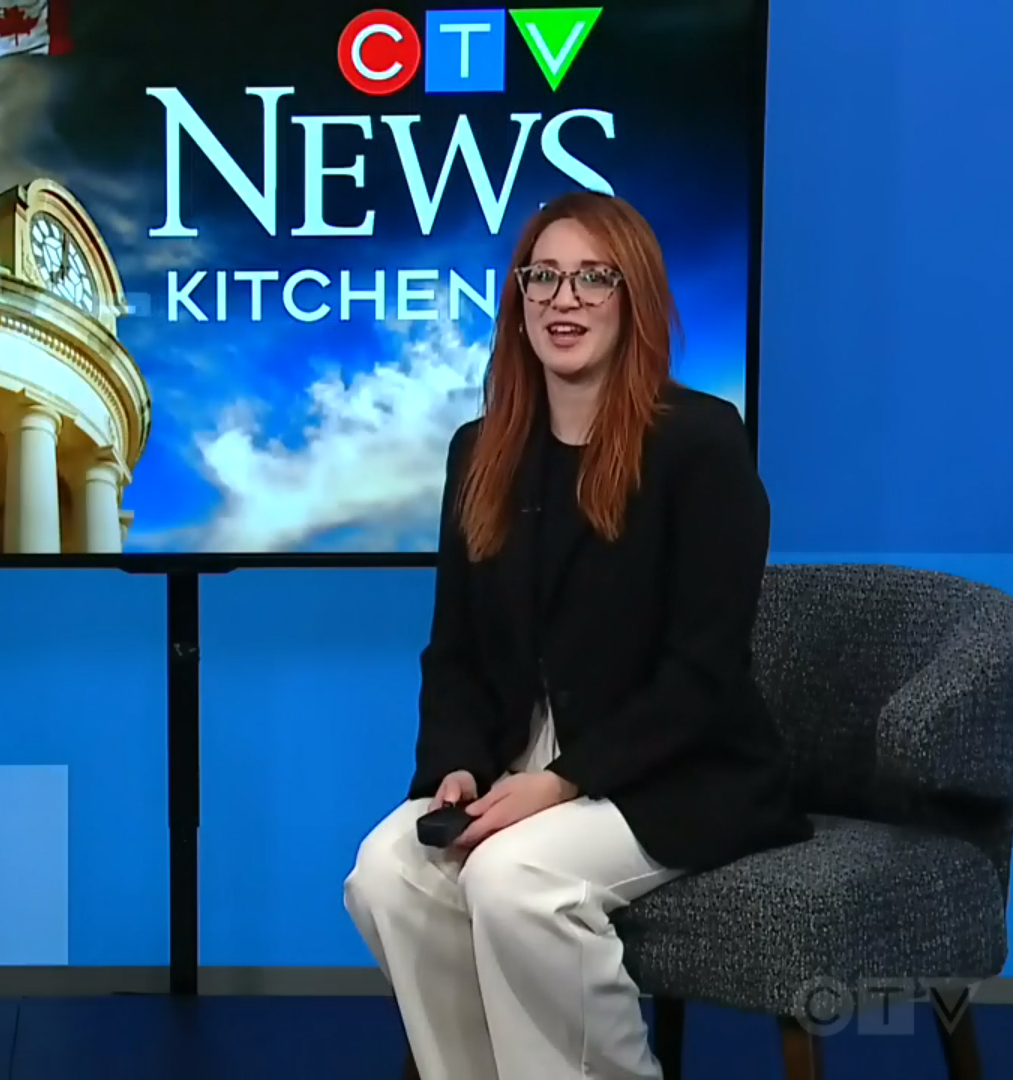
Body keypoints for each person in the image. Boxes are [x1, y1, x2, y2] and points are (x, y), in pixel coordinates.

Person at [342, 191, 810, 1080]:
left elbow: (701, 675)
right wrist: (456, 763)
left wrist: (562, 783)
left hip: (673, 772)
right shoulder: (480, 451)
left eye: (593, 278)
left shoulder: (702, 443)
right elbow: (455, 654)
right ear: (518, 302)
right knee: (387, 874)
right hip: (517, 773)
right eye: (544, 278)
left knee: (514, 882)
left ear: (633, 299)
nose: (565, 299)